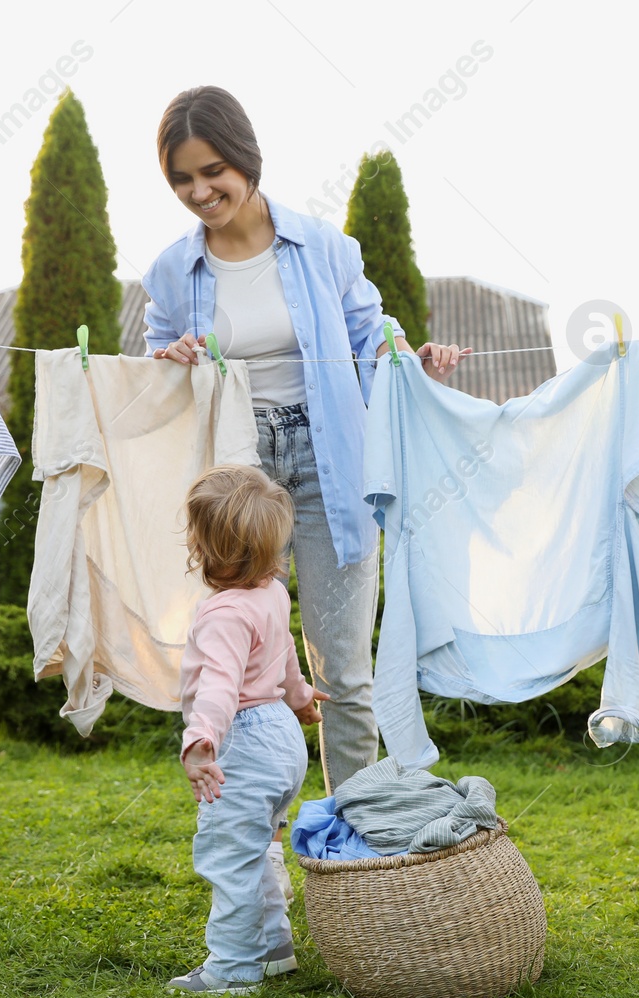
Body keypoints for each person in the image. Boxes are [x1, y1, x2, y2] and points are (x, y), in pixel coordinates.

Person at [144, 87, 469, 820]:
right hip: (237, 478)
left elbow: (371, 332)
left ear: (247, 160)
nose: (201, 192)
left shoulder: (321, 245)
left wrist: (411, 363)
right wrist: (168, 358)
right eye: (182, 179)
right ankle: (250, 839)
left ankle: (351, 840)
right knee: (240, 668)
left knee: (343, 672)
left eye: (213, 171)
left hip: (331, 470)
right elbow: (149, 369)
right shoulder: (170, 271)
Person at [167, 464, 328, 995]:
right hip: (281, 736)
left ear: (205, 547)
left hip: (243, 739)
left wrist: (201, 739)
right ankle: (274, 948)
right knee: (256, 846)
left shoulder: (223, 614)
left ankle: (233, 969)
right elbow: (283, 653)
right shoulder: (272, 593)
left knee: (230, 855)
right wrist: (301, 696)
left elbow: (219, 685)